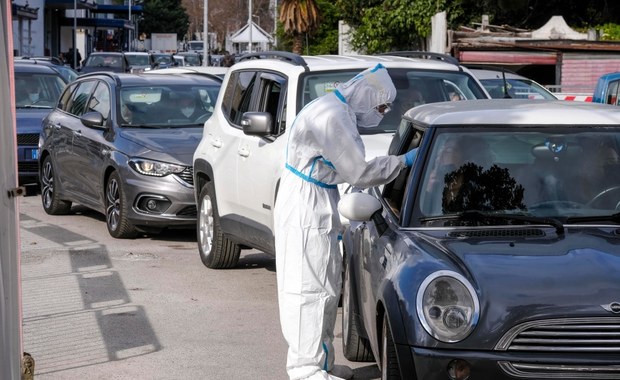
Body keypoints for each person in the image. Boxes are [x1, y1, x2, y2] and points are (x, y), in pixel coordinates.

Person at [274, 63, 417, 380]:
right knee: (306, 288)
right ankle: (304, 370)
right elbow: (359, 173)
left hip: (317, 198)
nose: (381, 113)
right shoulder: (332, 116)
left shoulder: (339, 111)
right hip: (305, 205)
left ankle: (320, 362)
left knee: (325, 287)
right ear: (366, 94)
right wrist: (402, 161)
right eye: (380, 105)